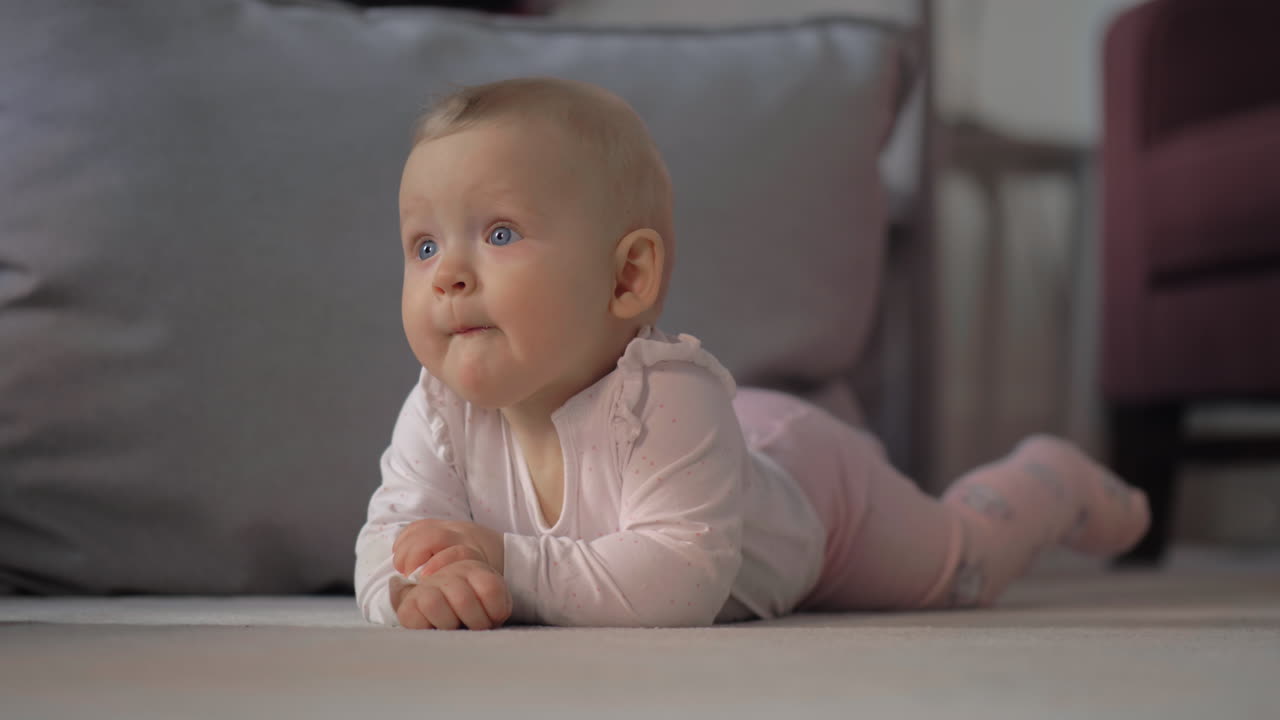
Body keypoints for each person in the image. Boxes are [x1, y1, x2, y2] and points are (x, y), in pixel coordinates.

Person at [354, 76, 1149, 630]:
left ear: (628, 276)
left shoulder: (664, 396)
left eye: (499, 233)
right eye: (422, 245)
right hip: (740, 438)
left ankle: (1050, 481)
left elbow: (676, 587)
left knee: (960, 569)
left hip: (817, 495)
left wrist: (503, 564)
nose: (448, 274)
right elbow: (385, 542)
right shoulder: (439, 408)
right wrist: (414, 590)